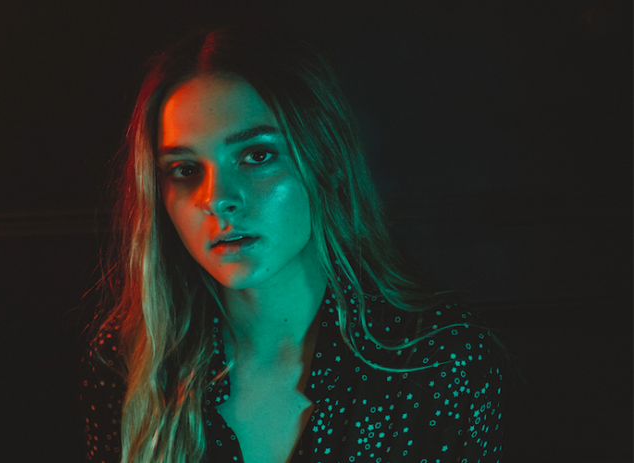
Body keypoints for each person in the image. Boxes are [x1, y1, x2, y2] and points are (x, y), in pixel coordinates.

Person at [79, 21, 507, 463]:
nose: (217, 199)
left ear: (327, 159)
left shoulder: (437, 358)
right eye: (185, 169)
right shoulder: (128, 361)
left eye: (257, 156)